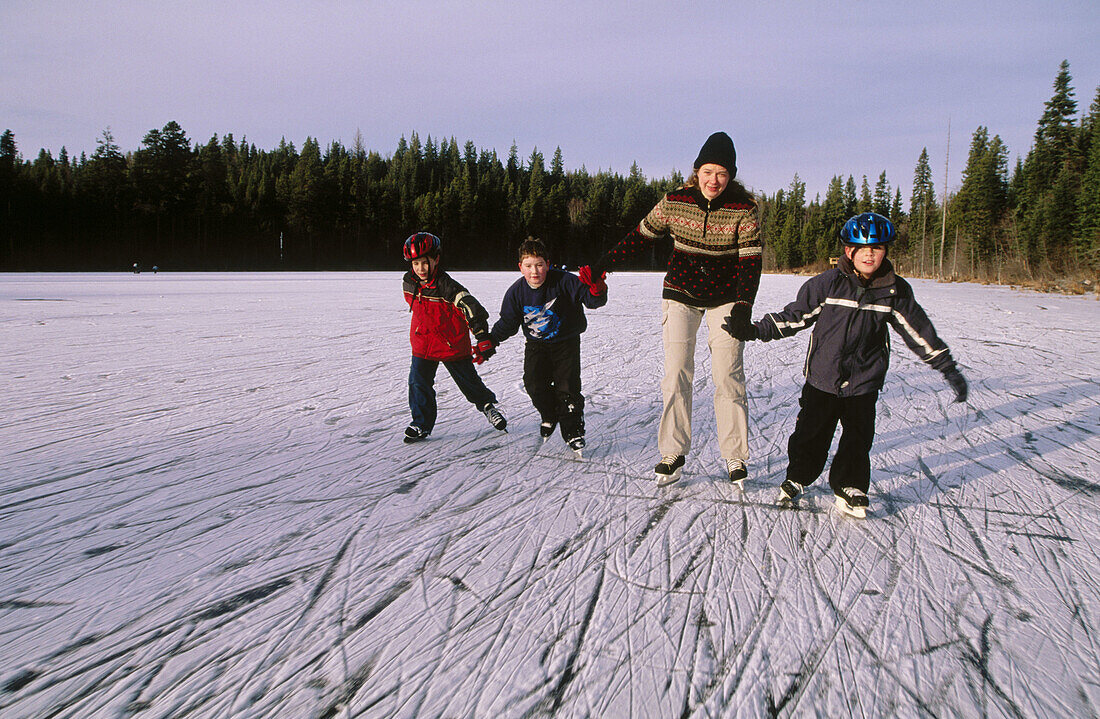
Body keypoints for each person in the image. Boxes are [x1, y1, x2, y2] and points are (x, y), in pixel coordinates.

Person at [723, 212, 968, 518]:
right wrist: (756, 330)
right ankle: (798, 477)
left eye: (877, 248)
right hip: (822, 377)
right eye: (862, 247)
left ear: (886, 251)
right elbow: (795, 316)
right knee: (810, 435)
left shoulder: (894, 291)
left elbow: (918, 331)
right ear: (848, 251)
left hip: (864, 381)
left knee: (858, 438)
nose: (870, 253)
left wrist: (947, 367)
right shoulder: (827, 284)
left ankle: (850, 486)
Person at [582, 131, 761, 486]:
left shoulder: (745, 210)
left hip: (725, 298)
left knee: (728, 375)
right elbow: (641, 236)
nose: (714, 180)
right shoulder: (674, 202)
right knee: (677, 372)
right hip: (680, 293)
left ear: (731, 176)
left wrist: (743, 306)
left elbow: (750, 262)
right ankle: (673, 451)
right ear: (697, 171)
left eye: (722, 174)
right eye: (708, 171)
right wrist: (604, 263)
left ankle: (735, 457)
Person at [479, 238, 607, 453]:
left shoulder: (564, 281)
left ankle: (573, 430)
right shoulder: (516, 292)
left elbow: (593, 301)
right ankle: (549, 414)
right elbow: (508, 323)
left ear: (548, 263)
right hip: (536, 344)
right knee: (533, 384)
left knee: (567, 388)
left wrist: (597, 288)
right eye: (528, 266)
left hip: (566, 343)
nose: (534, 271)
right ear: (520, 267)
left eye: (539, 264)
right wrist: (491, 340)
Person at [400, 231, 507, 443]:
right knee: (418, 383)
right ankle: (421, 424)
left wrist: (482, 335)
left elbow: (472, 308)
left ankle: (487, 407)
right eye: (415, 263)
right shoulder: (408, 282)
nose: (420, 268)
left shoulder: (448, 287)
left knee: (469, 382)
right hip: (424, 344)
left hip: (452, 344)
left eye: (425, 262)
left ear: (436, 259)